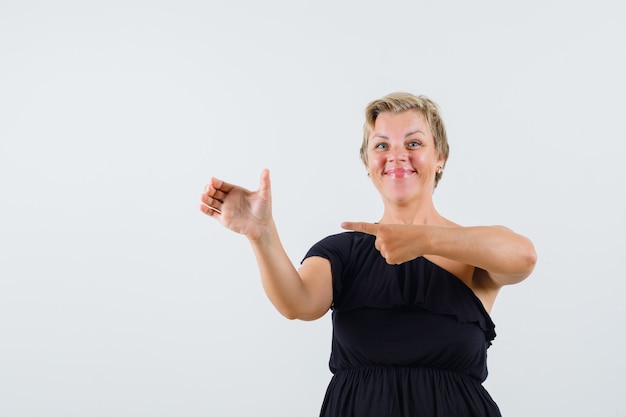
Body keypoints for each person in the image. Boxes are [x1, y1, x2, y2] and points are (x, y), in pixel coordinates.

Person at [199, 92, 537, 417]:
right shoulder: (344, 251)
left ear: (440, 157)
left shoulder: (470, 251)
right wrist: (261, 234)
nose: (397, 155)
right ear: (367, 162)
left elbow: (523, 257)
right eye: (382, 145)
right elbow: (297, 303)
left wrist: (423, 239)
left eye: (414, 143)